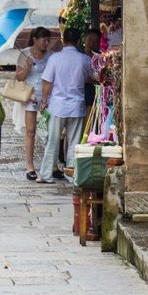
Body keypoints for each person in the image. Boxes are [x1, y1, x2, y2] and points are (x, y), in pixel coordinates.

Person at [37, 26, 97, 183]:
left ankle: (45, 174)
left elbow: (47, 82)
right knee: (74, 142)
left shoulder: (55, 59)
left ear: (64, 40)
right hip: (76, 105)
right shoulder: (84, 59)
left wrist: (44, 101)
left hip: (57, 106)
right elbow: (90, 78)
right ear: (78, 41)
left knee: (53, 141)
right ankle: (71, 173)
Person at [17, 27, 53, 181]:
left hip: (48, 96)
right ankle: (30, 165)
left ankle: (52, 165)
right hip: (30, 96)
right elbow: (19, 78)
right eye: (44, 39)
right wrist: (28, 66)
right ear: (35, 39)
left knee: (51, 131)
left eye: (48, 39)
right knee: (30, 131)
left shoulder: (51, 56)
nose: (47, 43)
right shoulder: (24, 53)